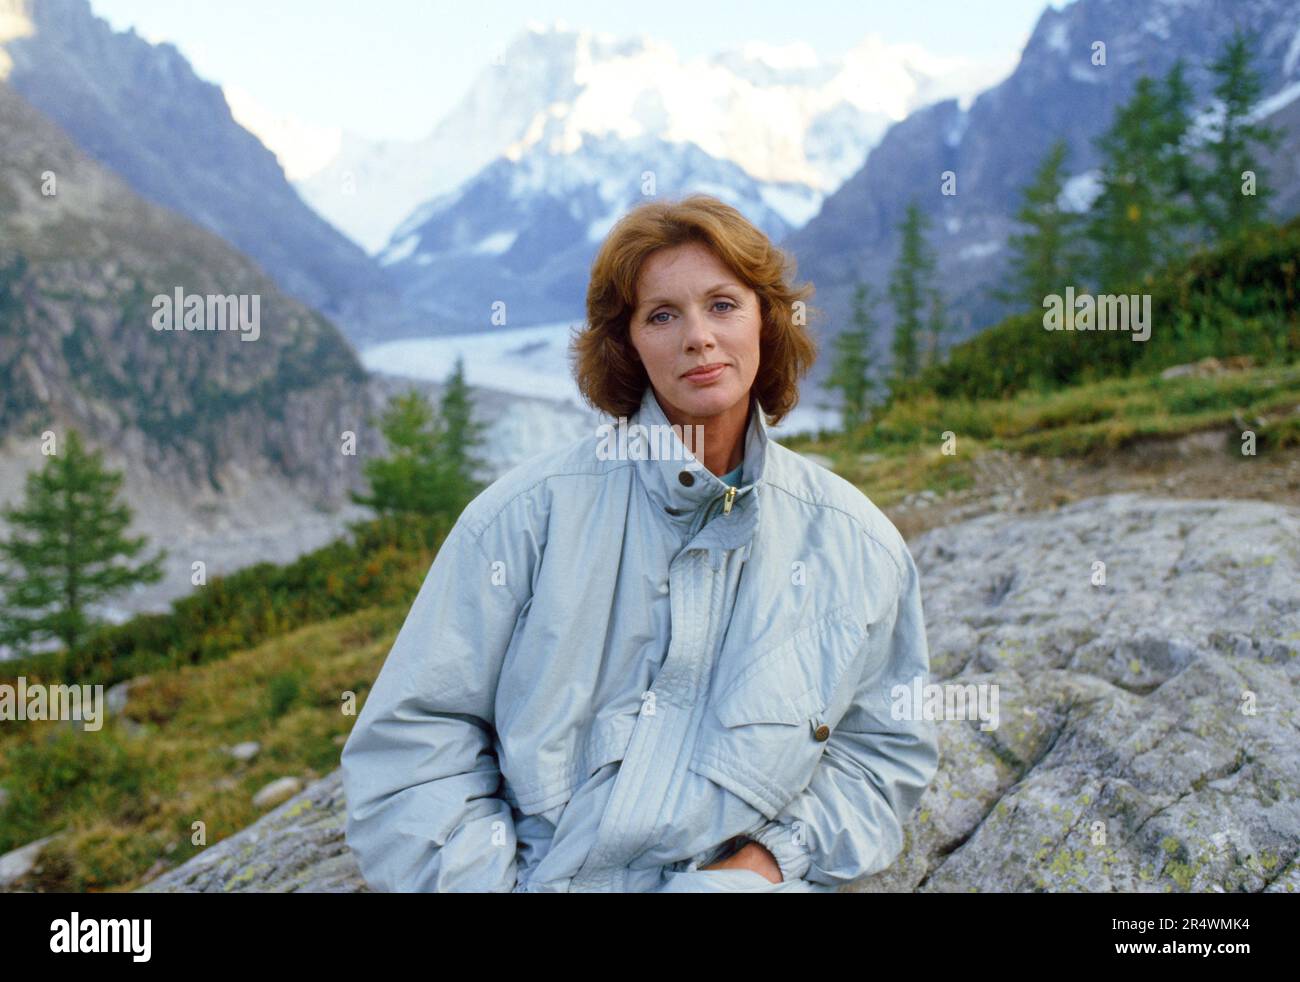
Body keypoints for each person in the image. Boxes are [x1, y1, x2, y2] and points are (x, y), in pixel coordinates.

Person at [340, 193, 939, 892]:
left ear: (766, 323)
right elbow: (414, 745)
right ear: (626, 344)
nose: (698, 337)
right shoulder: (525, 517)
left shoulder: (857, 543)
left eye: (723, 305)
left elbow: (883, 750)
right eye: (662, 315)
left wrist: (764, 865)